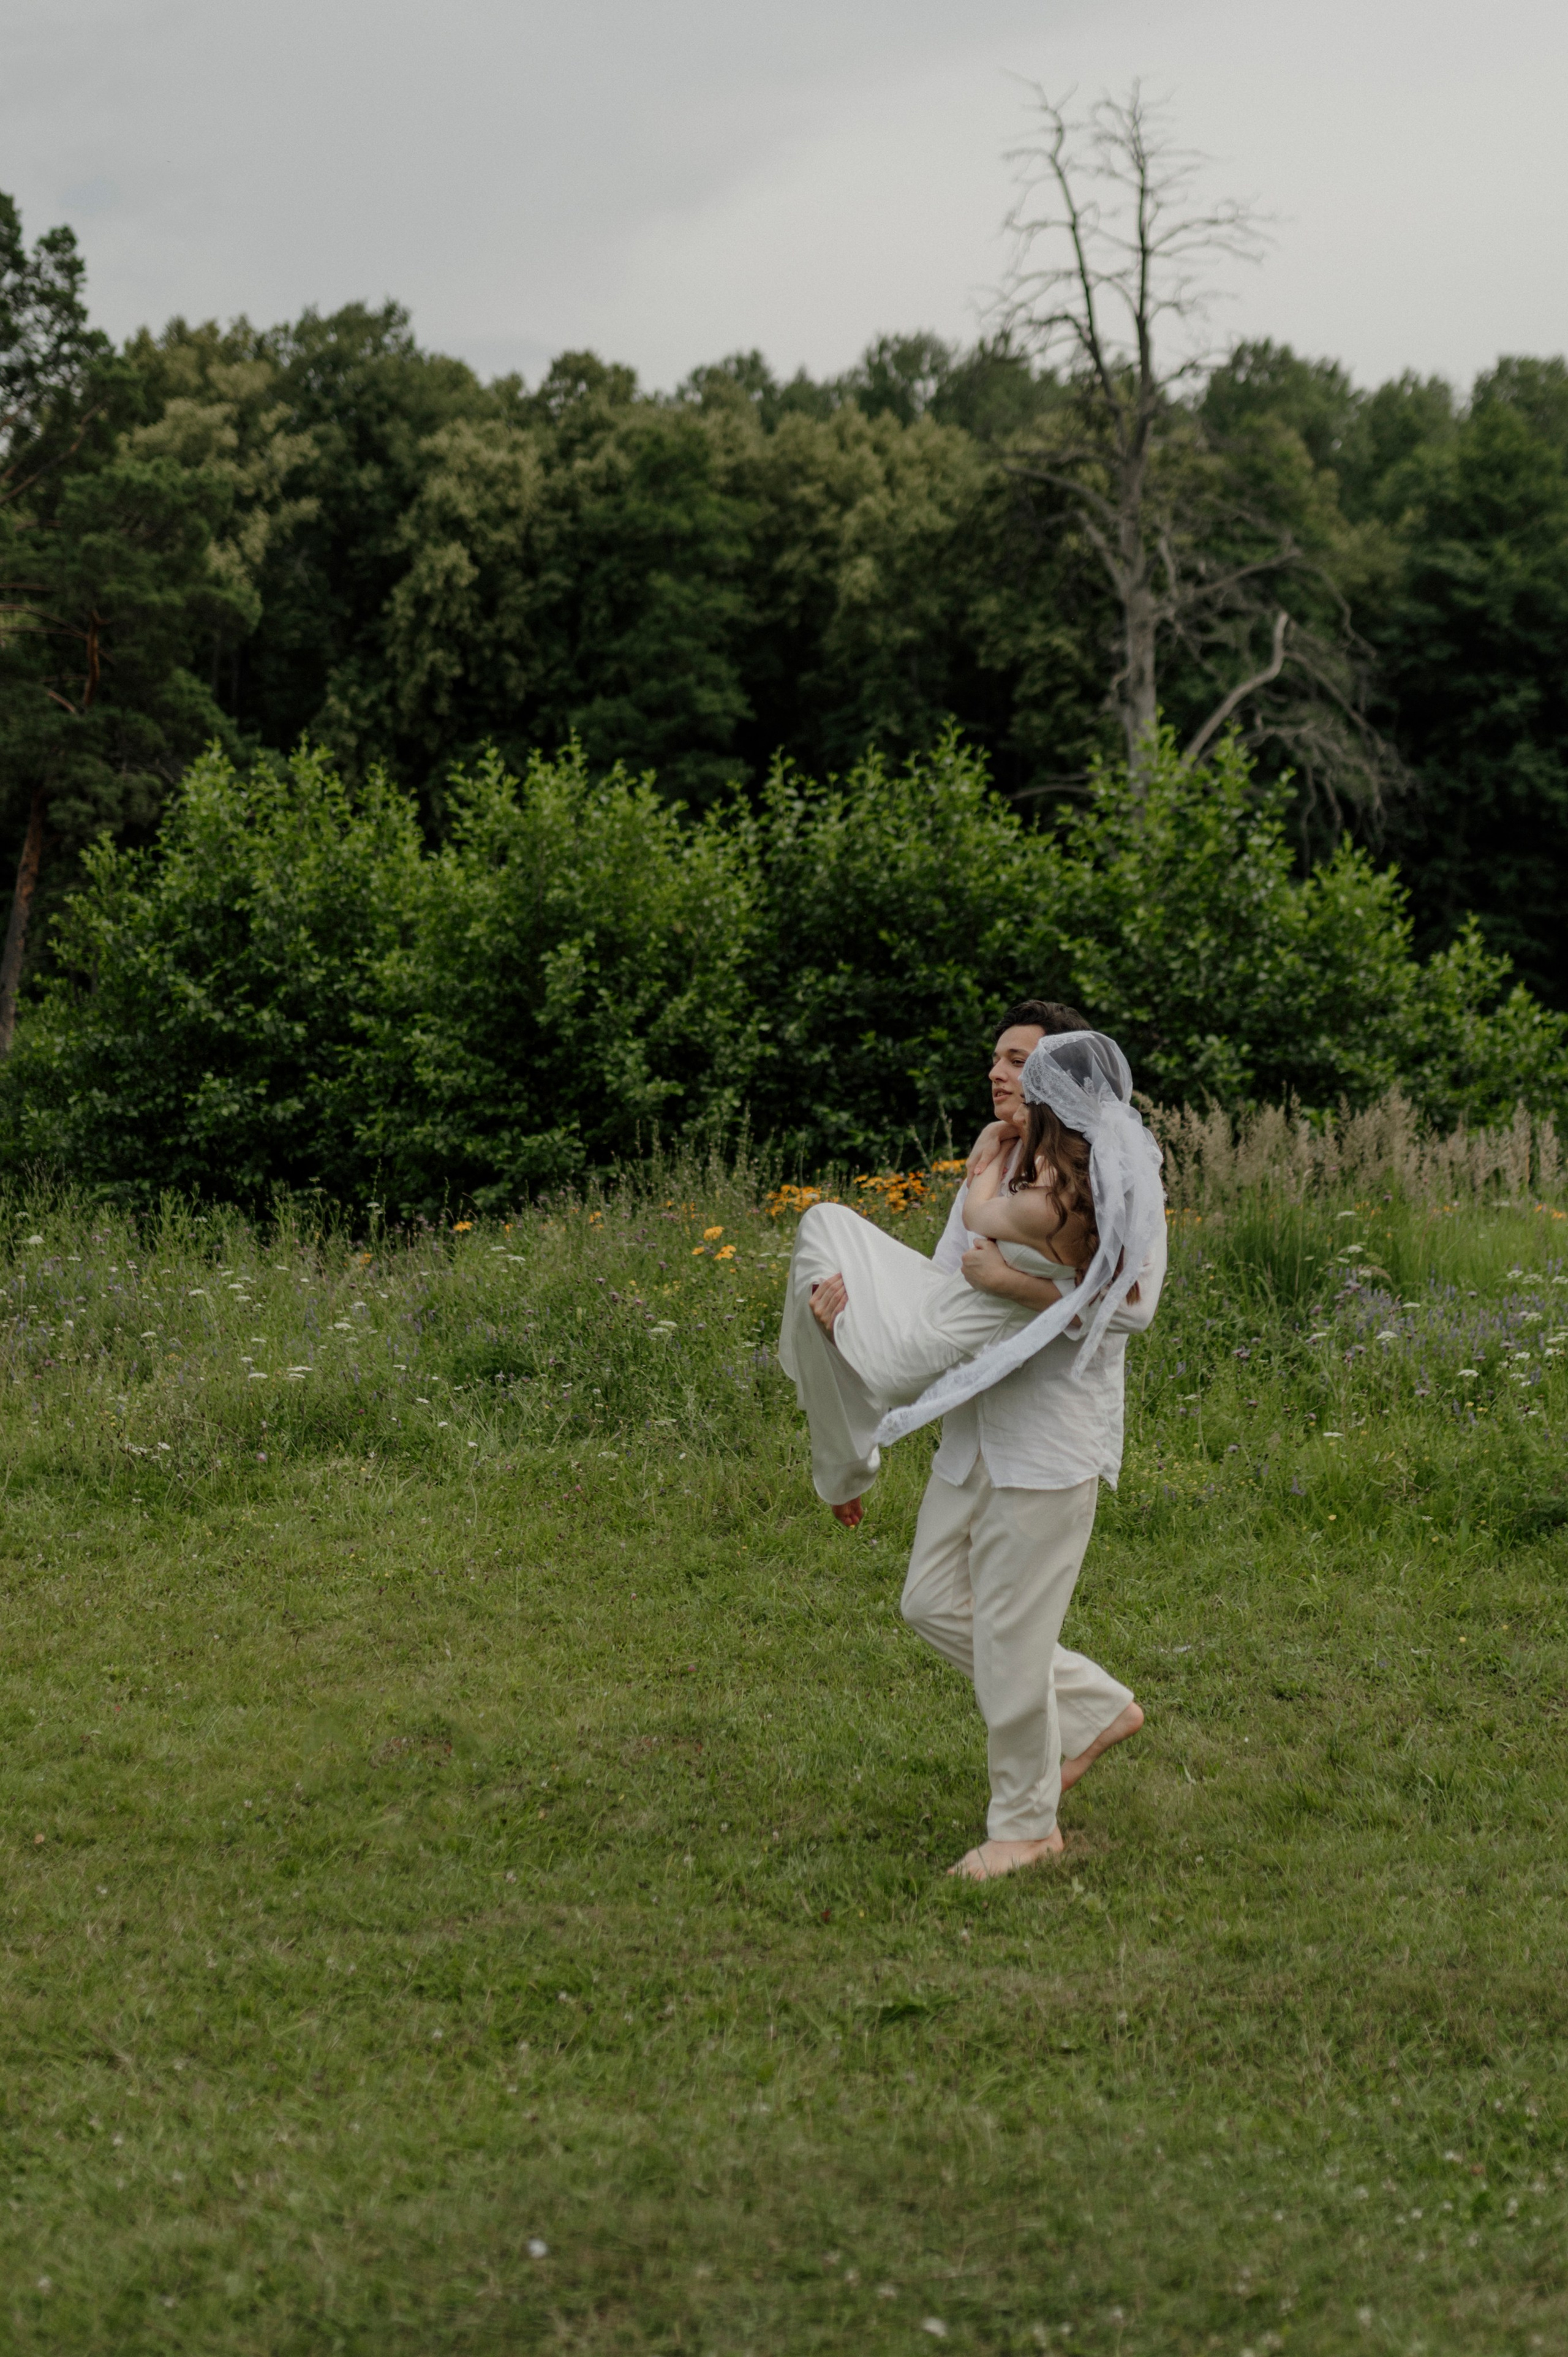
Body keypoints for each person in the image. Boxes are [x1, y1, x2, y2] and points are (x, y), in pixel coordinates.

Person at [776, 1001, 1166, 1882]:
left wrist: (1012, 1284)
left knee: (1014, 1638)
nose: (999, 1072)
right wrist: (852, 1316)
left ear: (1065, 1076)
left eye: (1020, 1059)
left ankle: (1026, 1828)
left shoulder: (1119, 1174)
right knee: (928, 1601)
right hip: (974, 1424)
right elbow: (946, 1288)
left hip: (1050, 1438)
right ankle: (1094, 1708)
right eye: (997, 1057)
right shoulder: (994, 1161)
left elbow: (1133, 1307)